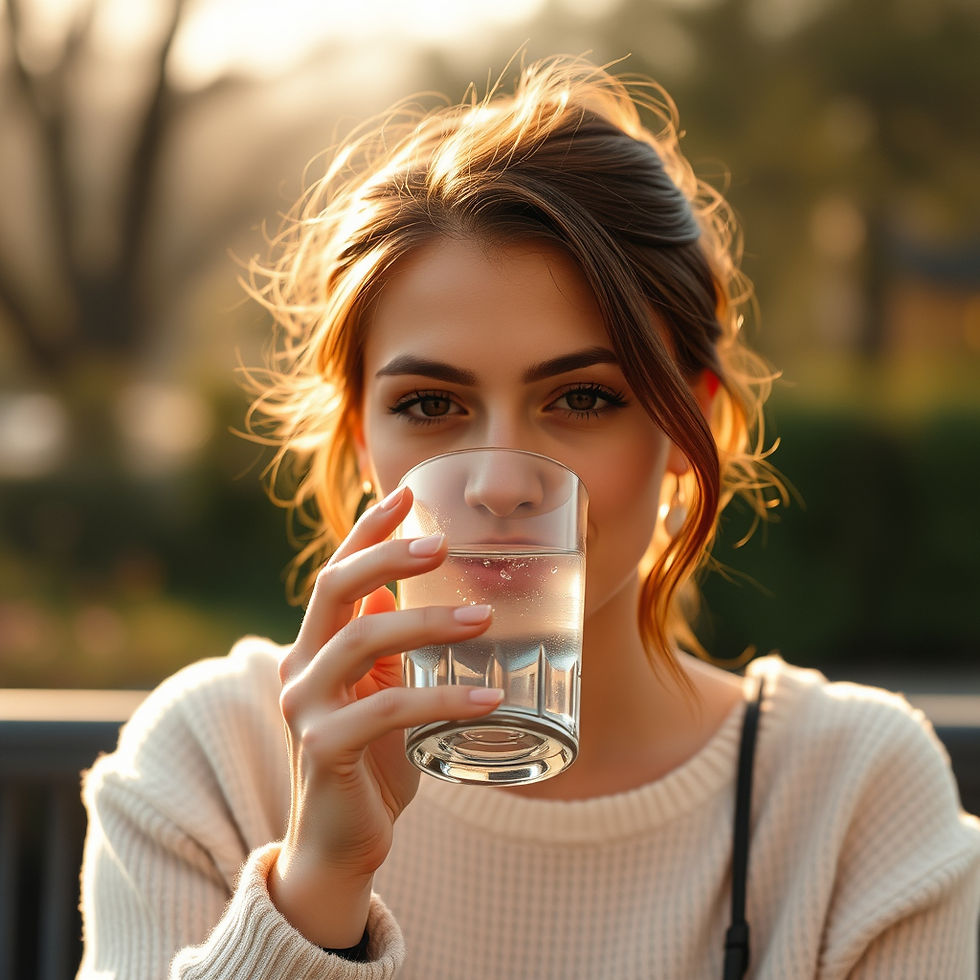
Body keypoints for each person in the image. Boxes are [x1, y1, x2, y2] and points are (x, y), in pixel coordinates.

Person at [77, 54, 980, 979]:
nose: (500, 483)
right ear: (358, 437)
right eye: (432, 404)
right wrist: (314, 894)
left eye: (583, 398)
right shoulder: (210, 762)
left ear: (689, 422)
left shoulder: (855, 797)